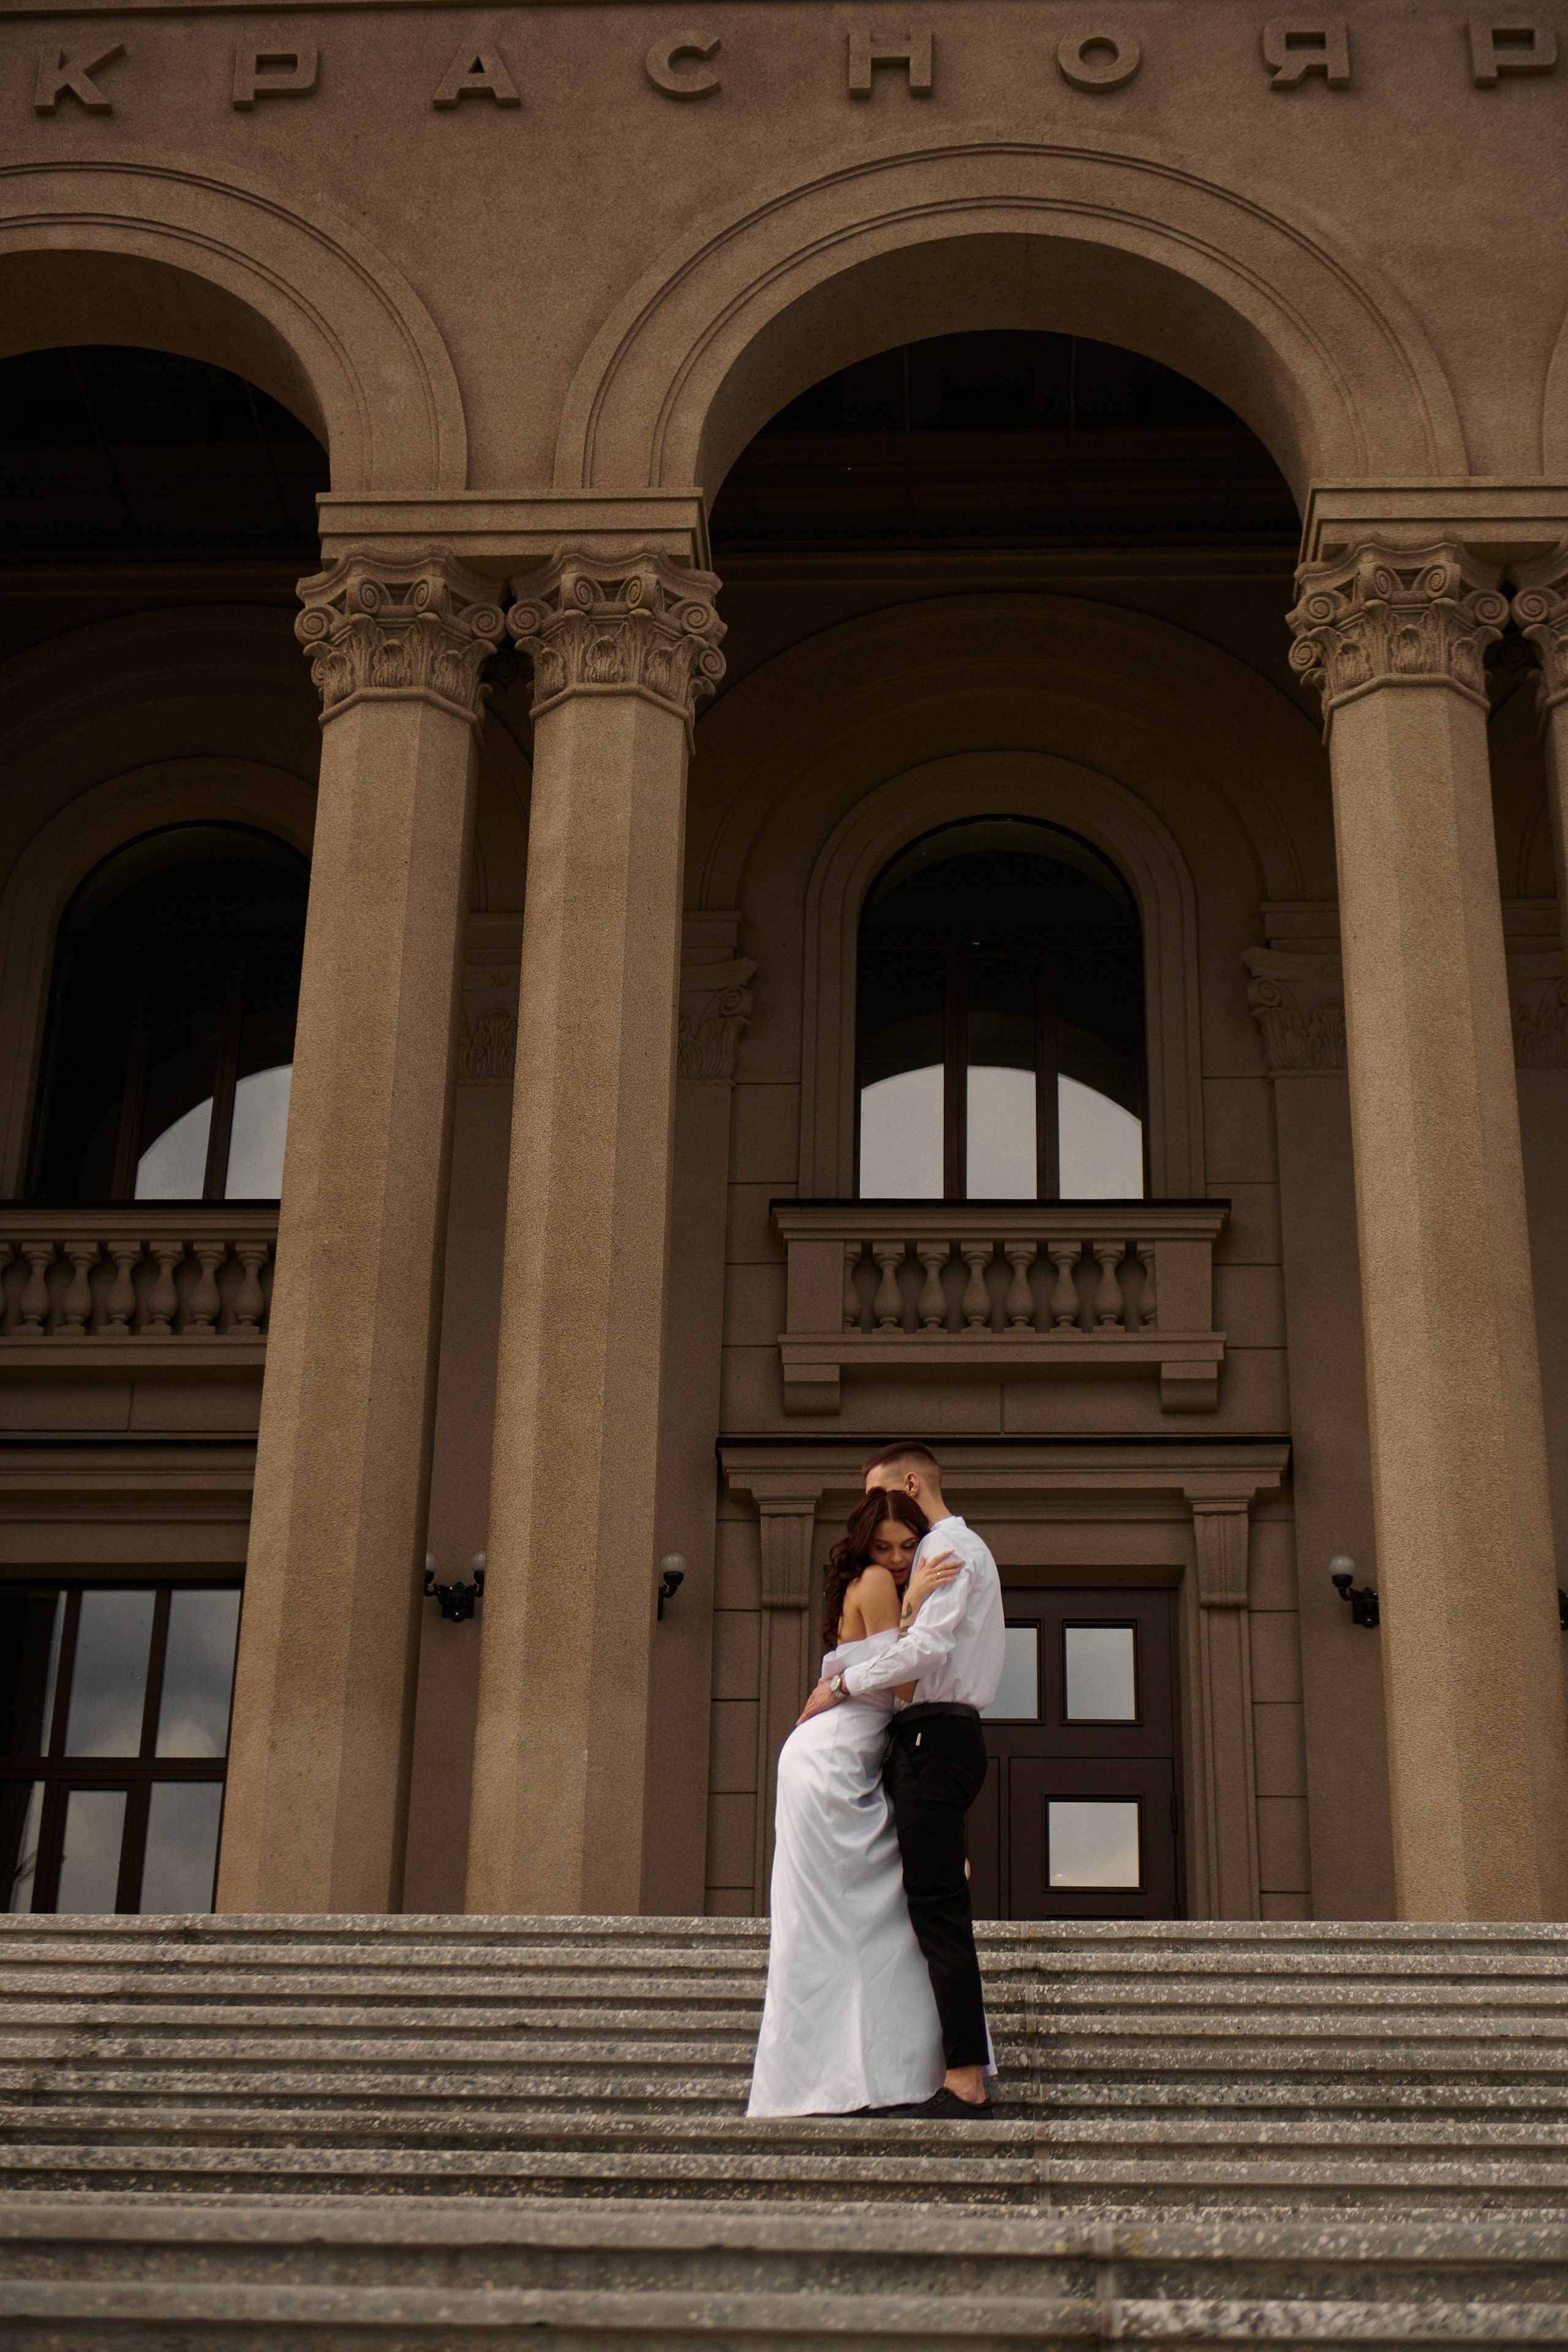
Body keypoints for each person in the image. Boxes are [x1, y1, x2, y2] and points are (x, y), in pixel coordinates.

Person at [797, 1441, 1004, 2117]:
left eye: (879, 1495)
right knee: (922, 1901)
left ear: (911, 1483)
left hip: (935, 1735)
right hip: (928, 1738)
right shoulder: (940, 1553)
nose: (871, 1514)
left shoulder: (950, 1553)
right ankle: (918, 2066)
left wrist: (842, 1683)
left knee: (937, 1912)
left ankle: (966, 2080)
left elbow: (926, 1651)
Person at [745, 1489, 962, 2118]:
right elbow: (904, 1680)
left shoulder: (876, 1582)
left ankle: (855, 2074)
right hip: (833, 1761)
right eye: (883, 1546)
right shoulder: (875, 1583)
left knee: (855, 1919)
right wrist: (919, 1601)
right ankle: (858, 2075)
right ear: (864, 1549)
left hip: (843, 1758)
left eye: (906, 1547)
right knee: (860, 1915)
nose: (896, 1559)